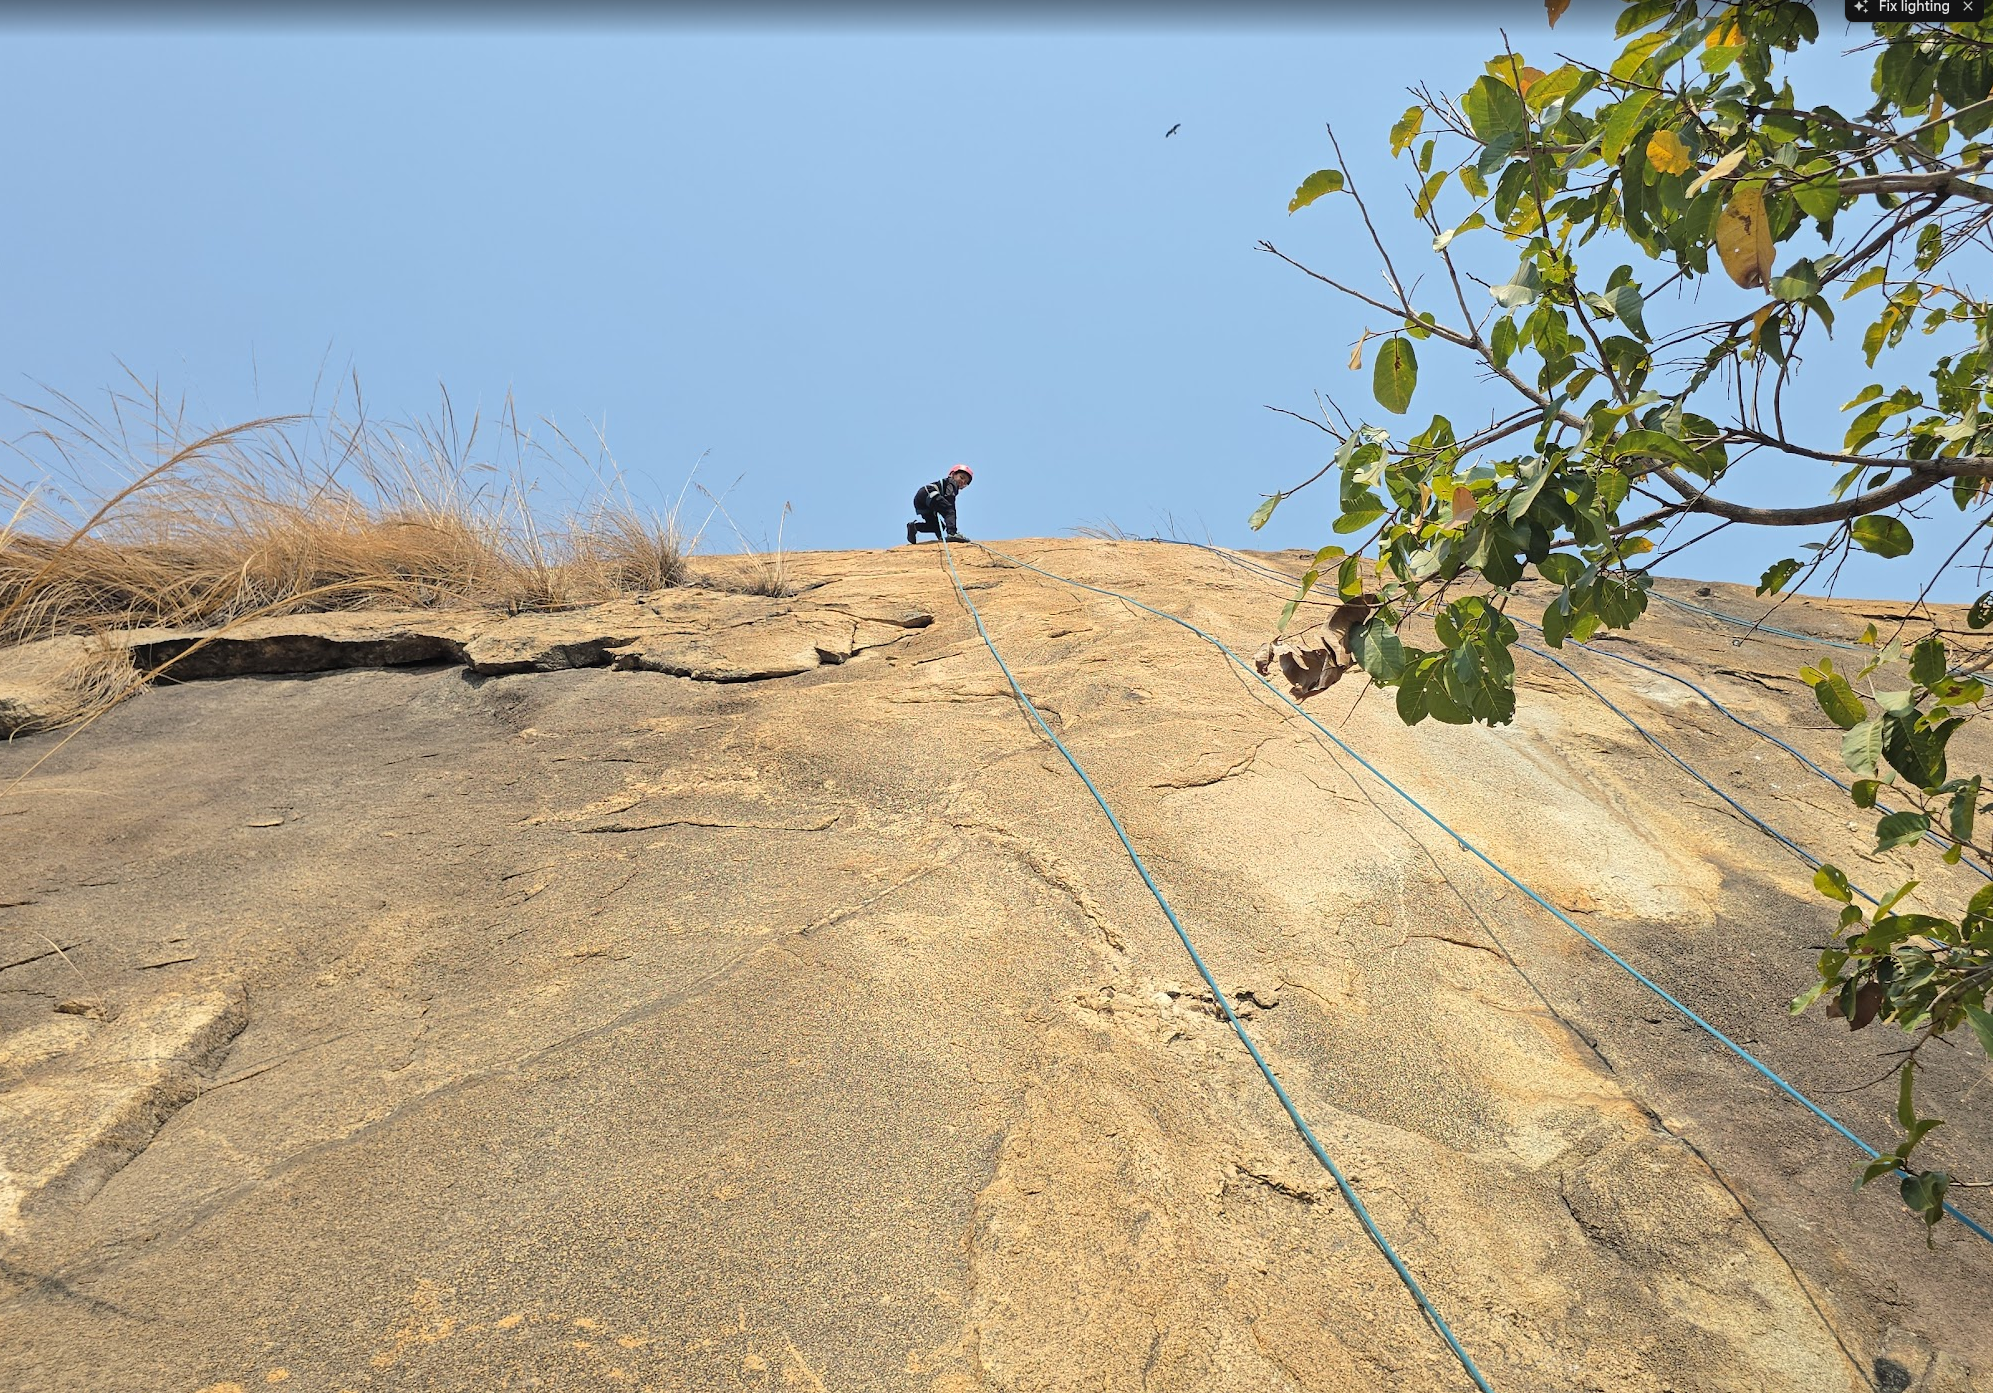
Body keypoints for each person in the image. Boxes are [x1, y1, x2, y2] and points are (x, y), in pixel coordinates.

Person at [907, 465, 973, 544]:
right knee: (949, 510)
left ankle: (914, 527)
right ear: (952, 474)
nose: (962, 482)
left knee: (938, 526)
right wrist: (950, 512)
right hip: (930, 492)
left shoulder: (950, 483)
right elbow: (950, 497)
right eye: (961, 477)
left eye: (965, 483)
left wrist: (940, 538)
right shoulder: (951, 482)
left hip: (921, 501)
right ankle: (952, 533)